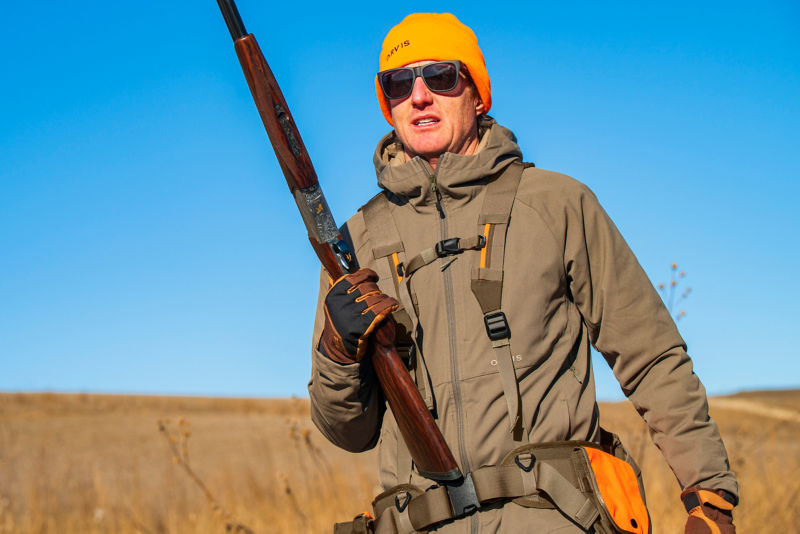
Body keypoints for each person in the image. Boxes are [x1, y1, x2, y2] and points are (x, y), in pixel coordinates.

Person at [308, 13, 738, 534]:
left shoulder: (557, 203)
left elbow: (651, 356)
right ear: (388, 103)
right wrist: (336, 352)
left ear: (477, 93)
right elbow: (348, 432)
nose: (419, 95)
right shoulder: (355, 243)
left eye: (441, 76)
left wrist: (709, 497)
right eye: (398, 83)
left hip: (553, 518)